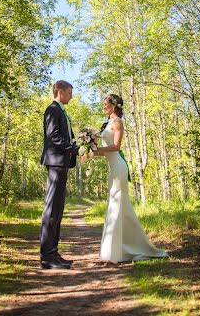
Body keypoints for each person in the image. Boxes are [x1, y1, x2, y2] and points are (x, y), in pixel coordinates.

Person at [91, 93, 168, 264]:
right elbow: (105, 150)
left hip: (119, 167)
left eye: (105, 103)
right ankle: (116, 248)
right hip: (112, 168)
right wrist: (89, 151)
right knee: (115, 205)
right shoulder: (108, 123)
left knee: (118, 204)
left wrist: (97, 151)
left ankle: (122, 250)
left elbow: (116, 147)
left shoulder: (118, 122)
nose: (103, 106)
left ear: (113, 105)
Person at [40, 80, 81, 270]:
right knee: (52, 209)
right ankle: (47, 256)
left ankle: (53, 252)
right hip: (55, 162)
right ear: (60, 91)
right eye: (70, 92)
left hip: (62, 163)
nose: (72, 96)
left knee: (58, 209)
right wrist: (74, 148)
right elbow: (53, 136)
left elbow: (64, 136)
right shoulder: (52, 110)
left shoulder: (61, 111)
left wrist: (79, 145)